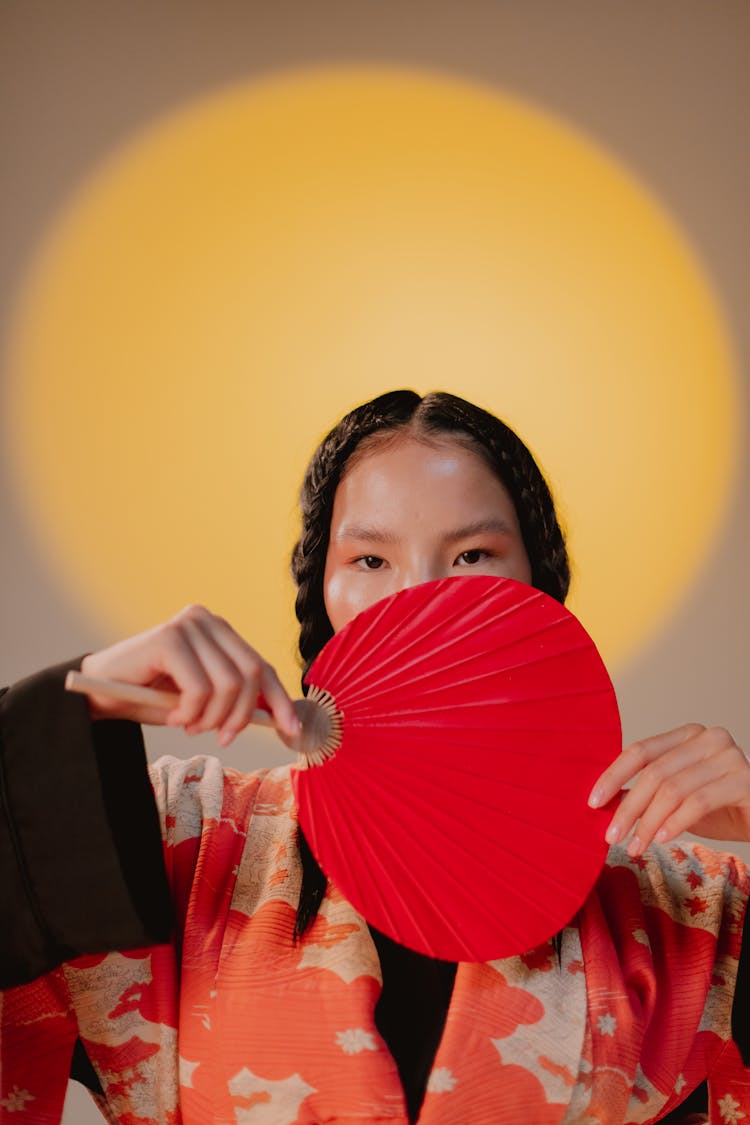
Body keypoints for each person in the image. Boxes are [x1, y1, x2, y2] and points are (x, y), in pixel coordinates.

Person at [1, 389, 749, 1124]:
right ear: (320, 593)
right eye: (369, 560)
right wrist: (82, 699)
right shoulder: (180, 841)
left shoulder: (682, 910)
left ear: (539, 590)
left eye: (471, 554)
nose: (418, 598)